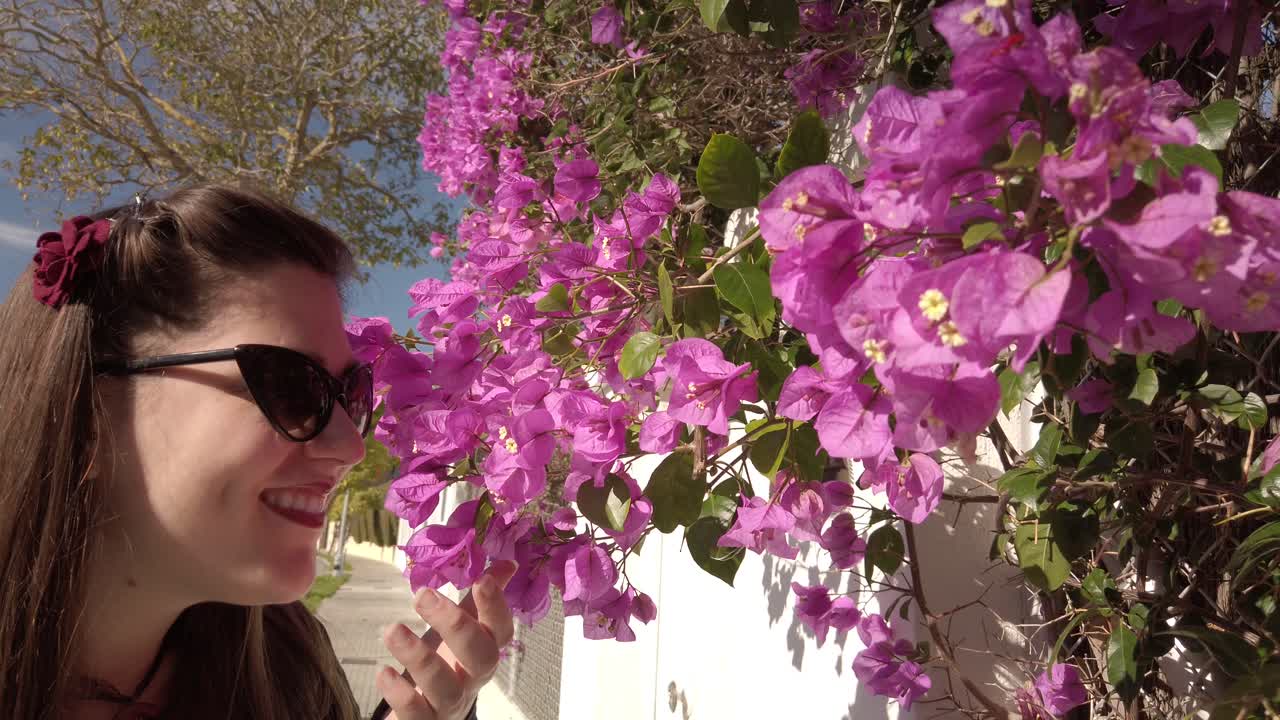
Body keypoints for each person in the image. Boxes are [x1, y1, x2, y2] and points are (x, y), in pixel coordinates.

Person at [0, 185, 515, 720]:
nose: (351, 447)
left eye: (352, 395)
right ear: (91, 417)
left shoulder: (290, 669)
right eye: (291, 387)